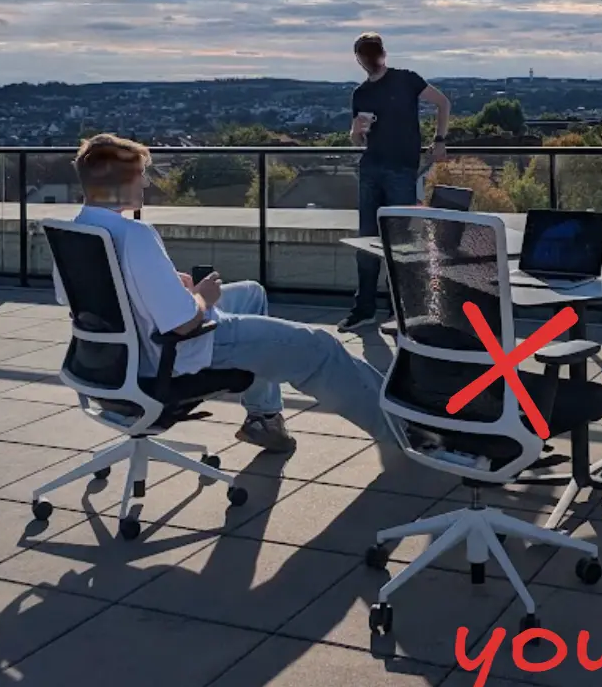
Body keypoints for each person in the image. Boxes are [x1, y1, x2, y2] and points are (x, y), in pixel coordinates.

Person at [60, 133, 398, 455]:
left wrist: (162, 283)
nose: (146, 183)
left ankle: (264, 419)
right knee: (320, 348)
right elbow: (184, 324)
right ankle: (402, 431)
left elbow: (86, 298)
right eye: (140, 175)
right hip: (178, 349)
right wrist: (202, 296)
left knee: (252, 294)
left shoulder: (75, 232)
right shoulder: (136, 235)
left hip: (121, 356)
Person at [339, 32, 451, 332]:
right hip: (371, 169)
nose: (368, 59)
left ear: (382, 53)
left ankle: (398, 309)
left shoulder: (406, 80)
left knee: (399, 241)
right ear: (359, 59)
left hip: (401, 169)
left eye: (371, 53)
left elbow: (442, 103)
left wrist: (440, 140)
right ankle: (365, 308)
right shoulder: (360, 94)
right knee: (367, 241)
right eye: (364, 54)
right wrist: (357, 131)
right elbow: (356, 141)